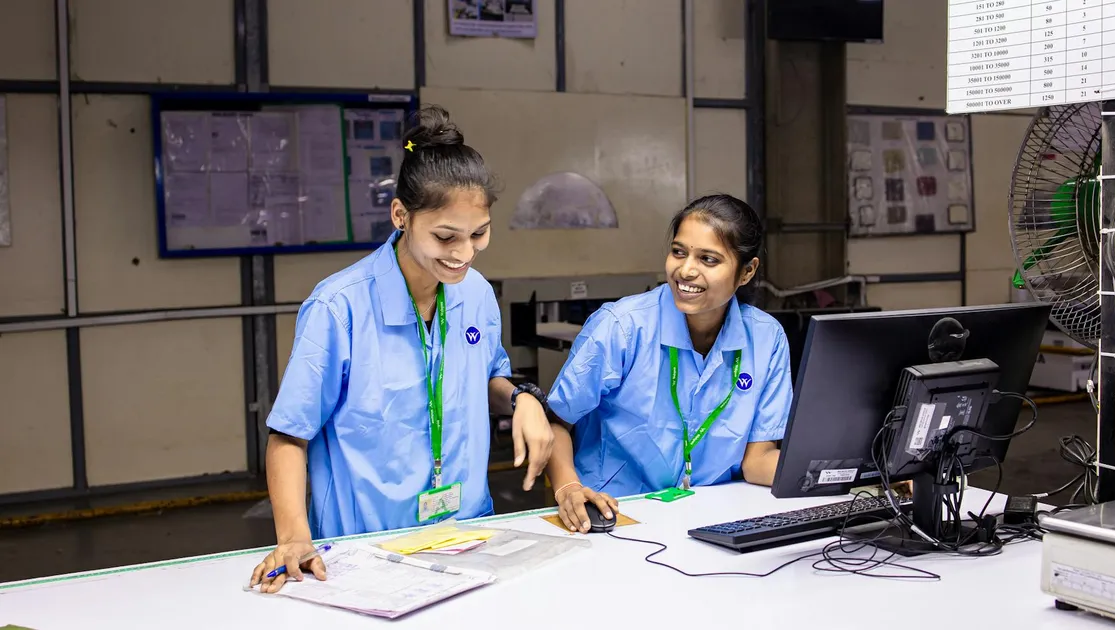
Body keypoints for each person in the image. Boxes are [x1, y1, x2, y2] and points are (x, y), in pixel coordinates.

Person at [249, 105, 555, 592]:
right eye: (445, 237)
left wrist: (523, 400)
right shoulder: (338, 308)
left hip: (466, 537)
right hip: (365, 549)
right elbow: (290, 435)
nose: (464, 254)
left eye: (479, 233)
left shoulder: (474, 293)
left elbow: (488, 378)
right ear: (400, 216)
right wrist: (293, 537)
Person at [544, 194, 793, 532]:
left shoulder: (766, 339)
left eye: (708, 259)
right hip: (615, 517)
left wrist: (851, 474)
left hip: (713, 518)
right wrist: (568, 487)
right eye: (679, 252)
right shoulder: (622, 326)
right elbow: (556, 420)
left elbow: (757, 462)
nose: (686, 270)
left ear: (747, 271)